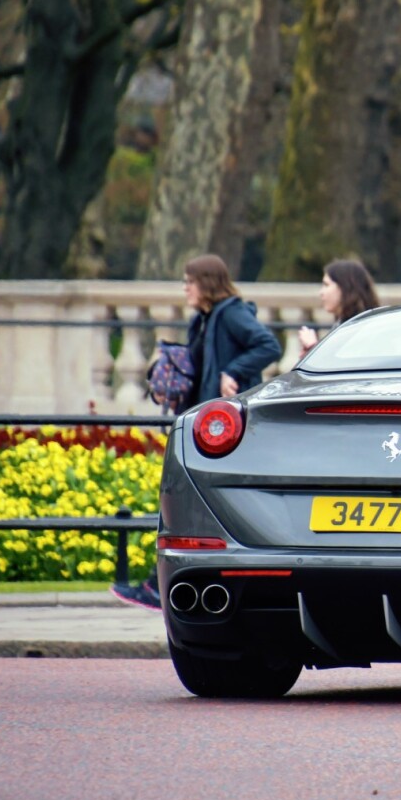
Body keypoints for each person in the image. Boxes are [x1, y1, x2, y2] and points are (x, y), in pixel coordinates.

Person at [116, 254, 282, 610]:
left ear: (206, 283)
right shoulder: (204, 321)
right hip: (204, 426)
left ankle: (161, 586)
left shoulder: (232, 313)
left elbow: (268, 345)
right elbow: (198, 369)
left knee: (191, 507)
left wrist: (233, 372)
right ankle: (159, 584)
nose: (185, 288)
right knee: (182, 505)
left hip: (226, 431)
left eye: (189, 281)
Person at [298, 259, 379, 354]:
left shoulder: (359, 328)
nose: (321, 292)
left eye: (326, 285)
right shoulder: (344, 324)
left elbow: (345, 364)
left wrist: (313, 348)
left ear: (345, 288)